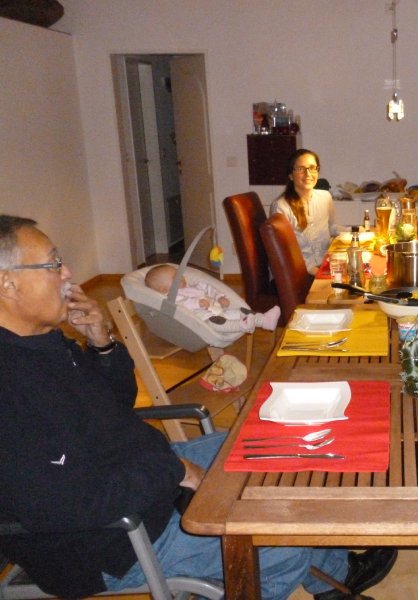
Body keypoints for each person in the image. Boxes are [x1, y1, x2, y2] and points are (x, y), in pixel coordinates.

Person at [0, 215, 397, 599]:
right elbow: (63, 505)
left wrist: (102, 343)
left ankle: (334, 578)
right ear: (8, 283)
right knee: (278, 537)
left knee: (285, 453)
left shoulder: (42, 342)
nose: (68, 272)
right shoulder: (10, 388)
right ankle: (289, 572)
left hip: (140, 473)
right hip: (111, 541)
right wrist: (174, 470)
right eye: (53, 263)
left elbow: (116, 403)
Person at [271, 149, 349, 276]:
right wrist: (319, 274)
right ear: (290, 175)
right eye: (300, 169)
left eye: (312, 168)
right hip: (299, 274)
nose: (308, 174)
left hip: (325, 265)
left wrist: (356, 232)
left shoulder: (325, 197)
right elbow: (285, 252)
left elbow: (332, 227)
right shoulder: (281, 206)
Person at [145, 263, 280, 333]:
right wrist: (197, 303)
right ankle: (241, 326)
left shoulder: (193, 286)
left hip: (219, 310)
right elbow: (180, 306)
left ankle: (265, 321)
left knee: (241, 311)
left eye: (180, 274)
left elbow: (209, 288)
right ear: (164, 289)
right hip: (204, 320)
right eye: (176, 278)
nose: (181, 277)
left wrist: (220, 297)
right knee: (218, 323)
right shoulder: (171, 298)